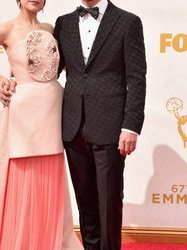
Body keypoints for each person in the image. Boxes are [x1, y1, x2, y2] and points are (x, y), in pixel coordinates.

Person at [0, 0, 83, 249]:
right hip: (22, 112)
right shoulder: (5, 30)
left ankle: (47, 239)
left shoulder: (53, 29)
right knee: (21, 175)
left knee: (50, 173)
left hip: (52, 108)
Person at [53, 0, 147, 249]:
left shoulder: (128, 22)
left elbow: (137, 78)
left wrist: (131, 125)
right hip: (72, 126)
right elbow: (49, 70)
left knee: (108, 202)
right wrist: (10, 79)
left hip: (111, 127)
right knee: (86, 204)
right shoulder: (63, 23)